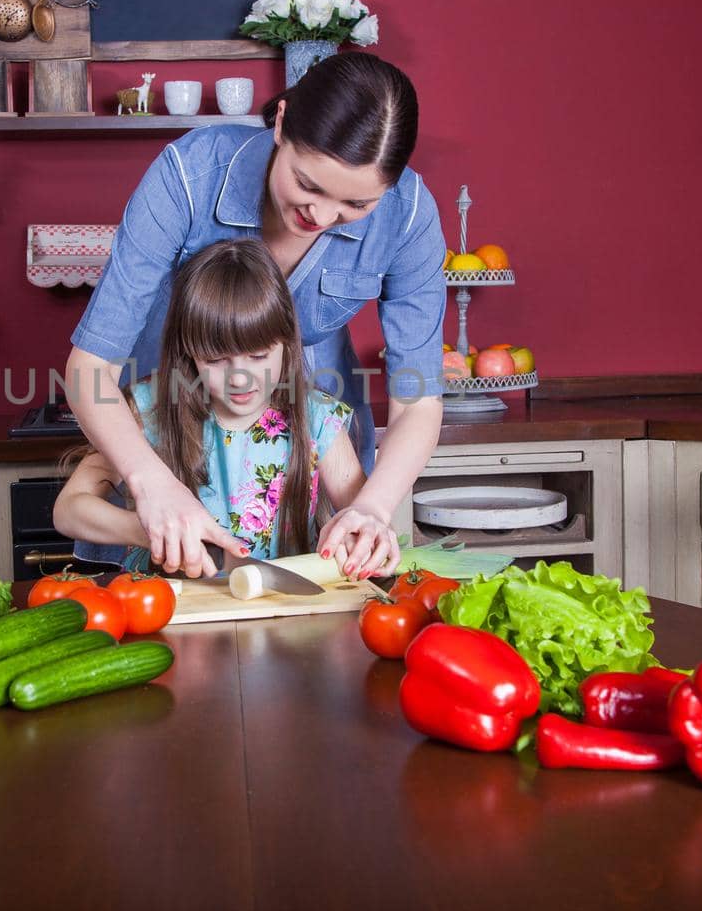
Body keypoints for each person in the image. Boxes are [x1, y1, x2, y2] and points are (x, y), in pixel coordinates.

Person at [65, 52, 446, 578]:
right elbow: (91, 367)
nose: (322, 218)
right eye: (308, 185)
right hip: (167, 441)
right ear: (282, 121)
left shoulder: (408, 218)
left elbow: (418, 399)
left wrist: (371, 506)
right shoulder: (191, 175)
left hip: (292, 471)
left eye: (357, 205)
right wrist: (153, 487)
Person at [54, 239, 396, 577]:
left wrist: (360, 538)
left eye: (259, 356)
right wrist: (146, 529)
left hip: (283, 612)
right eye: (217, 360)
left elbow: (361, 520)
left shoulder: (317, 419)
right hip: (168, 607)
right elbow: (69, 510)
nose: (241, 378)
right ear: (189, 351)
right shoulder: (149, 410)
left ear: (286, 344)